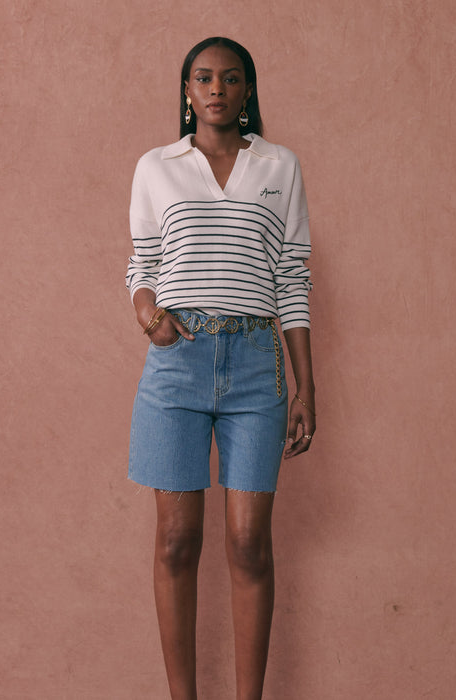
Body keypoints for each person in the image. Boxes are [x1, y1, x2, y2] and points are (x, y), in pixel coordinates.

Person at [125, 36, 316, 700]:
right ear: (186, 90)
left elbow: (291, 280)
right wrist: (148, 314)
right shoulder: (157, 166)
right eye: (203, 78)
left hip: (257, 364)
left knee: (248, 543)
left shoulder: (279, 165)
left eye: (230, 79)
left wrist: (306, 387)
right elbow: (142, 264)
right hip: (176, 362)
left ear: (247, 90)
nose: (216, 89)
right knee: (176, 542)